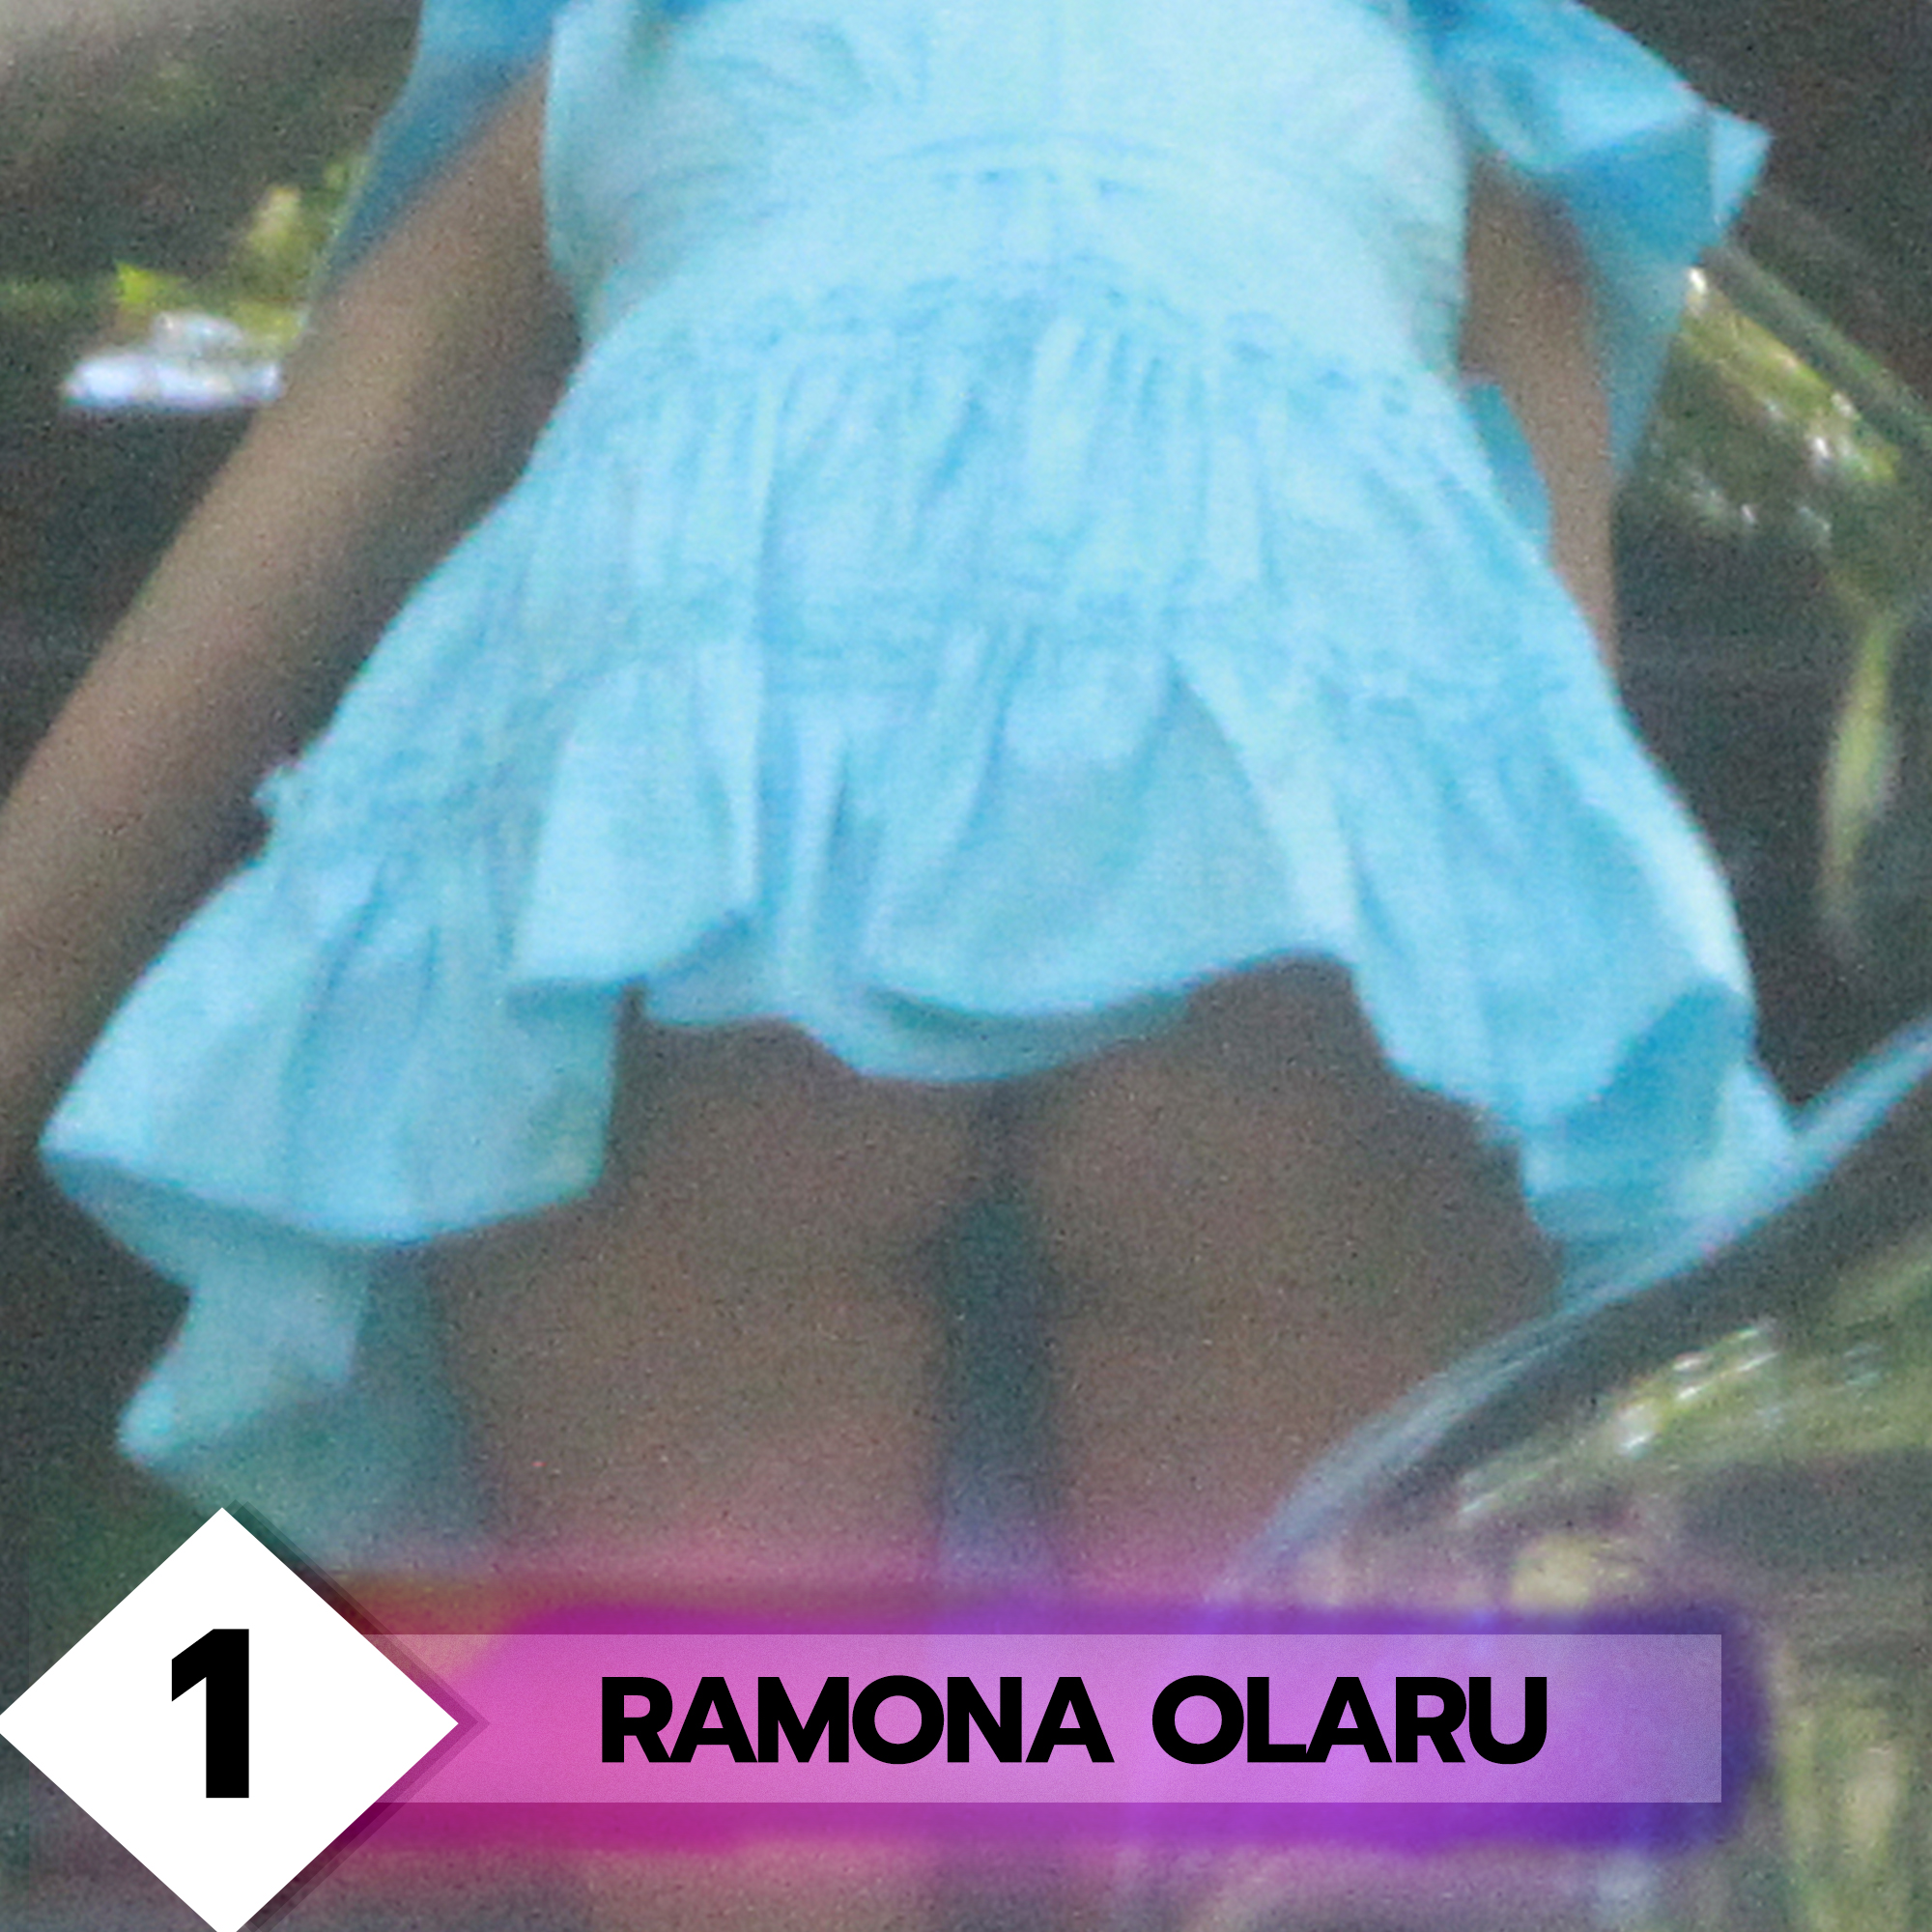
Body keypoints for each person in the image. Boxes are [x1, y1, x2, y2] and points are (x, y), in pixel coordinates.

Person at [0, 0, 1790, 1916]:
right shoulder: (1471, 79)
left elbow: (140, 779)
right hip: (1290, 952)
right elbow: (1548, 761)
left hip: (706, 918)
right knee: (1282, 1856)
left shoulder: (613, 60)